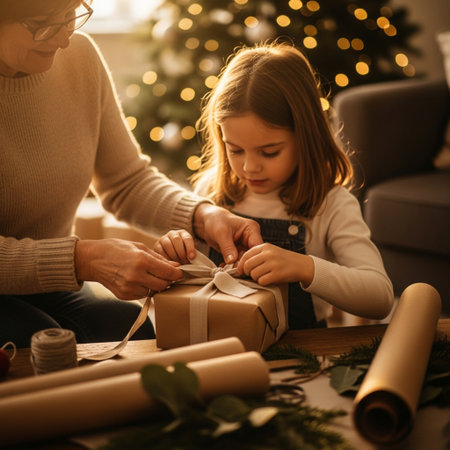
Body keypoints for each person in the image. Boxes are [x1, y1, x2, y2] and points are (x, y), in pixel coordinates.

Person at [0, 0, 262, 347]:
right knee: (39, 345)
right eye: (43, 24)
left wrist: (202, 216)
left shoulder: (79, 56)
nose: (63, 39)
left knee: (133, 330)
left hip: (47, 286)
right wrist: (83, 260)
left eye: (70, 15)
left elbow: (126, 181)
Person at [154, 42, 394, 329]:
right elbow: (192, 282)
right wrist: (173, 256)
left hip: (302, 351)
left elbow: (379, 297)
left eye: (270, 152)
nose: (249, 167)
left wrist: (305, 268)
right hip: (219, 343)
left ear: (305, 138)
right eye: (235, 150)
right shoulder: (211, 192)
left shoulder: (331, 203)